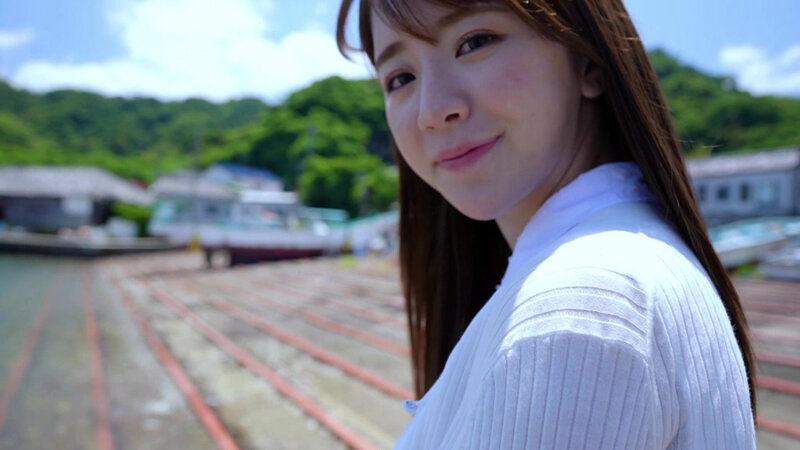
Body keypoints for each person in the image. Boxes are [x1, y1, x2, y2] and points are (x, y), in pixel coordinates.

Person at [336, 0, 756, 448]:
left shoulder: (578, 308)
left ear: (589, 61)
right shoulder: (633, 262)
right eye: (400, 78)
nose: (432, 111)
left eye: (475, 42)